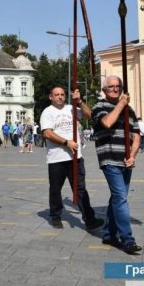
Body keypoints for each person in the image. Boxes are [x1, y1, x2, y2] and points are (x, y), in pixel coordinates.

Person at [40, 86, 104, 230]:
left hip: (75, 157)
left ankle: (89, 219)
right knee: (56, 189)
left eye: (62, 94)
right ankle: (55, 215)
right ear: (51, 97)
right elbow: (47, 133)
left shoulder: (71, 108)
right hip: (56, 158)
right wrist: (66, 142)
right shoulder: (47, 112)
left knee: (80, 189)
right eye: (57, 95)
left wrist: (80, 101)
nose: (60, 97)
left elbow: (89, 115)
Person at [92, 75, 142, 254]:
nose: (115, 89)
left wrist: (133, 155)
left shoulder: (130, 110)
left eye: (117, 86)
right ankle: (127, 239)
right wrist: (121, 104)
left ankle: (108, 234)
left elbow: (136, 134)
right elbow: (106, 122)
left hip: (126, 160)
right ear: (104, 90)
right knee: (121, 197)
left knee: (117, 198)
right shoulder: (100, 107)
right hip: (110, 158)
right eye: (111, 87)